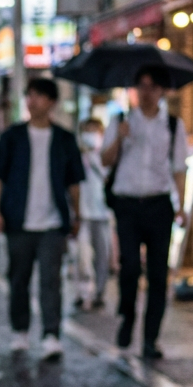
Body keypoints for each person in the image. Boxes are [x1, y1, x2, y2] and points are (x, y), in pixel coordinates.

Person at [0, 78, 84, 360]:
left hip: (53, 222)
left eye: (39, 96)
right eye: (29, 95)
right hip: (18, 221)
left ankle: (51, 334)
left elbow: (74, 182)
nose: (32, 101)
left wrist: (77, 214)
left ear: (51, 102)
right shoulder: (12, 137)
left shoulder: (64, 139)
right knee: (18, 278)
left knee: (51, 280)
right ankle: (20, 330)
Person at [101, 65, 187, 359]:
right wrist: (119, 138)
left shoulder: (173, 125)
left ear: (162, 90)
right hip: (127, 203)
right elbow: (104, 159)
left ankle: (151, 337)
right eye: (141, 86)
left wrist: (182, 205)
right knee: (129, 267)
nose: (146, 92)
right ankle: (127, 317)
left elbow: (178, 167)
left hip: (159, 203)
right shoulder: (121, 120)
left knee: (158, 274)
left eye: (152, 86)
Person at [75, 117, 111, 310]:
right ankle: (82, 293)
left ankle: (99, 293)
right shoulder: (77, 156)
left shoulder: (105, 156)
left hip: (102, 213)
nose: (91, 135)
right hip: (82, 212)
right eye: (87, 131)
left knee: (102, 256)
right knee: (82, 257)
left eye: (94, 131)